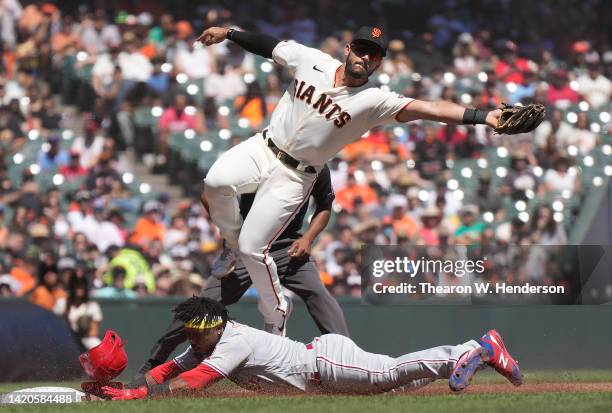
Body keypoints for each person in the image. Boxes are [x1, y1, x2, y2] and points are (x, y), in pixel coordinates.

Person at [197, 26, 504, 335]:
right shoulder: (312, 60)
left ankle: (276, 311)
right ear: (348, 49)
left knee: (254, 248)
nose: (365, 57)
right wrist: (229, 33)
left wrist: (481, 116)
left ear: (379, 64)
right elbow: (270, 45)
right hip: (264, 146)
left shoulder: (373, 100)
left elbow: (430, 108)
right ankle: (231, 243)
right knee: (215, 182)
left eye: (373, 54)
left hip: (296, 175)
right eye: (361, 48)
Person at [136, 165, 349, 373]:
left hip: (288, 246)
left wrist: (308, 238)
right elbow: (209, 194)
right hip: (246, 244)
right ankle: (153, 365)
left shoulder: (318, 164)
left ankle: (348, 359)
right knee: (203, 305)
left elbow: (324, 206)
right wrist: (230, 233)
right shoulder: (262, 157)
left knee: (318, 294)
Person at [102, 297, 522, 399]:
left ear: (215, 326)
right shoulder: (205, 345)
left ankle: (471, 347)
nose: (192, 339)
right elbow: (170, 370)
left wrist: (135, 396)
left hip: (325, 363)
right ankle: (487, 355)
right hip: (323, 378)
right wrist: (129, 390)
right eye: (189, 332)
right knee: (398, 388)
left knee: (392, 372)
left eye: (198, 332)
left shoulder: (233, 339)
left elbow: (195, 381)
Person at [64, 275, 103, 349]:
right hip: (68, 339)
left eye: (82, 285)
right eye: (76, 284)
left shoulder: (92, 306)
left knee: (96, 343)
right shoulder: (64, 304)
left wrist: (83, 328)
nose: (79, 287)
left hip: (86, 338)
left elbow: (94, 331)